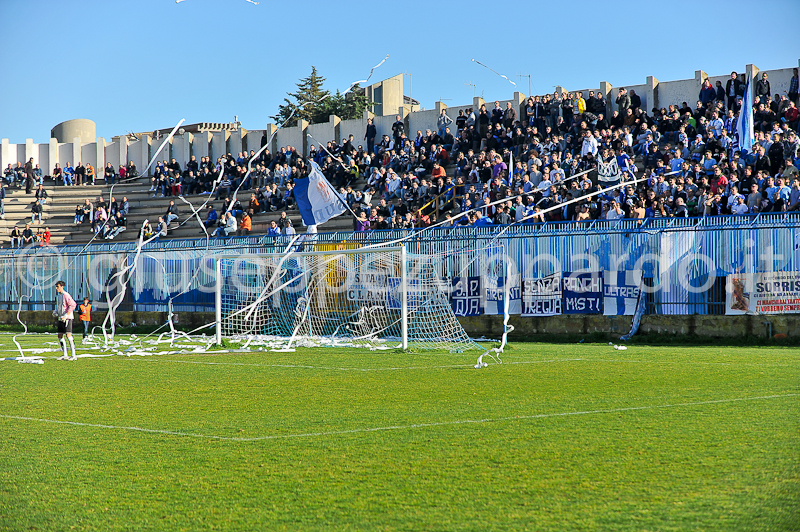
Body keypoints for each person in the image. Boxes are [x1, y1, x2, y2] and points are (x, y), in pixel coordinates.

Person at [54, 280, 78, 361]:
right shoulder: (58, 296)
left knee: (68, 335)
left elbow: (73, 305)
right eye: (56, 287)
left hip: (67, 318)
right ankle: (65, 354)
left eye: (58, 286)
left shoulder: (66, 295)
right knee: (60, 335)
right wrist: (56, 312)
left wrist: (66, 314)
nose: (57, 288)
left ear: (62, 287)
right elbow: (60, 306)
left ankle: (73, 355)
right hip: (61, 318)